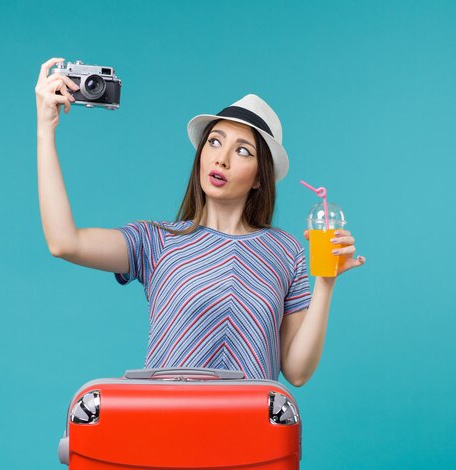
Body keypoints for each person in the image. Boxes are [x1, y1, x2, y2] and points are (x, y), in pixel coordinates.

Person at [35, 57, 366, 386]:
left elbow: (297, 371)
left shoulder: (286, 251)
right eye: (215, 141)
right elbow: (64, 242)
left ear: (259, 179)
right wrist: (45, 131)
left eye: (243, 151)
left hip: (249, 434)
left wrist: (325, 283)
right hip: (168, 428)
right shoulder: (156, 241)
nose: (221, 158)